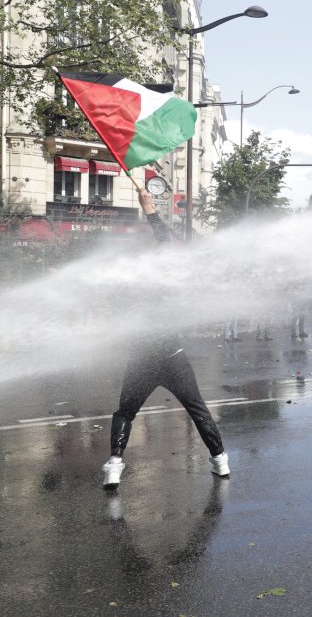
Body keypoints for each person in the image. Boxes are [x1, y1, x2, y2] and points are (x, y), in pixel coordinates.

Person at [102, 190, 229, 490]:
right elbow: (163, 241)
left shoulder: (126, 288)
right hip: (173, 355)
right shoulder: (165, 277)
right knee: (197, 409)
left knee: (125, 413)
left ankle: (115, 466)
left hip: (142, 359)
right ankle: (220, 460)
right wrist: (149, 208)